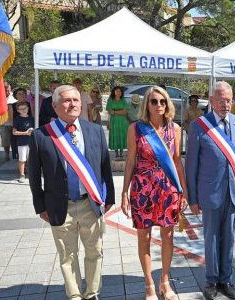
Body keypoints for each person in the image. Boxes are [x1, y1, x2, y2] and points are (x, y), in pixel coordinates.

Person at [28, 85, 115, 300]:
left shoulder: (95, 130)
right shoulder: (41, 136)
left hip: (90, 204)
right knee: (67, 256)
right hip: (59, 206)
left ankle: (92, 292)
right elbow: (33, 175)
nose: (73, 104)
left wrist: (109, 197)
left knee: (95, 252)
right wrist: (40, 206)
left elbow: (105, 167)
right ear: (55, 106)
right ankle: (75, 295)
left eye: (76, 100)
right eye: (66, 100)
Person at [121, 86, 188, 300]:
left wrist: (184, 192)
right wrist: (124, 192)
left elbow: (177, 161)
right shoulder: (136, 129)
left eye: (162, 101)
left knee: (168, 236)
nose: (159, 105)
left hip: (168, 190)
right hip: (143, 190)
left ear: (167, 104)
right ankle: (149, 283)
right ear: (146, 105)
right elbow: (131, 161)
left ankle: (165, 282)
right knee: (144, 237)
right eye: (154, 101)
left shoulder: (175, 129)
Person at [186, 81, 235, 300]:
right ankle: (212, 280)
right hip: (209, 193)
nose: (226, 104)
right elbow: (191, 164)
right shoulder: (199, 125)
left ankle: (226, 279)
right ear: (211, 101)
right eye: (221, 100)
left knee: (229, 238)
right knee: (211, 238)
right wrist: (192, 198)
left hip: (233, 193)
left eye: (229, 99)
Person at [12, 102, 34, 183]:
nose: (24, 110)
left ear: (28, 108)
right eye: (21, 109)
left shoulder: (32, 118)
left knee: (31, 159)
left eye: (25, 108)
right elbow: (14, 132)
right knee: (22, 159)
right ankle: (22, 174)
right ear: (18, 110)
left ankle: (31, 173)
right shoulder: (17, 119)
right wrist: (25, 133)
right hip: (22, 142)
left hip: (31, 142)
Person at [106, 86, 129, 158]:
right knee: (115, 135)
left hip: (122, 121)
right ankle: (116, 152)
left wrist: (114, 111)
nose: (118, 92)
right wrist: (108, 122)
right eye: (117, 91)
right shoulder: (110, 100)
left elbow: (125, 112)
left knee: (122, 135)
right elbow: (109, 112)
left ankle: (121, 152)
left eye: (120, 91)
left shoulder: (123, 100)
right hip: (113, 121)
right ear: (114, 92)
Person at [11, 88, 32, 160]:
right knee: (19, 150)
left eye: (24, 93)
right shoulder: (12, 105)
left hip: (28, 127)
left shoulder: (29, 104)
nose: (22, 95)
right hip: (17, 128)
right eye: (19, 94)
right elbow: (11, 119)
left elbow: (32, 116)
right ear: (16, 95)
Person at [0, 81, 16, 161]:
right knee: (5, 140)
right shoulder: (0, 98)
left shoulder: (14, 97)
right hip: (4, 123)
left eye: (8, 89)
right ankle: (6, 153)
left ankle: (16, 155)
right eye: (5, 89)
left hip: (15, 123)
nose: (7, 91)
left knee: (16, 140)